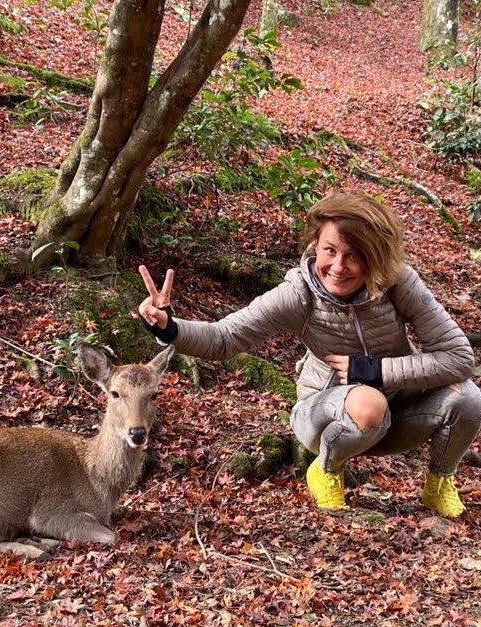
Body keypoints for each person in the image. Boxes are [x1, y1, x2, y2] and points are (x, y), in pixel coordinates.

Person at [138, 191, 481, 517]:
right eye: (330, 250)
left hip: (395, 414)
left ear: (375, 258)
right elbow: (224, 337)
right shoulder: (298, 294)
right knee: (368, 404)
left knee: (469, 398)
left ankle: (439, 482)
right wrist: (169, 327)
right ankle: (327, 470)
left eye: (355, 255)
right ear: (315, 245)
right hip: (324, 417)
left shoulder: (398, 283)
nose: (339, 266)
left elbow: (459, 357)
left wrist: (375, 371)